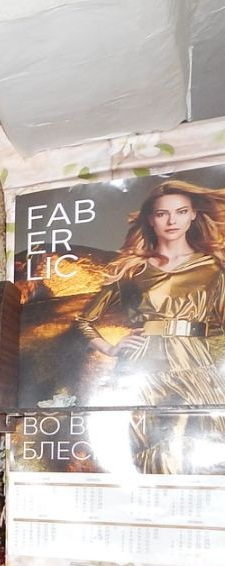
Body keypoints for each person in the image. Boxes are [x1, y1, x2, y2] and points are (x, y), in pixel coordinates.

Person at [75, 178, 225, 474]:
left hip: (196, 366)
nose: (172, 221)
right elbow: (83, 321)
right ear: (150, 219)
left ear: (193, 215)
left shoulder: (213, 267)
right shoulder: (133, 269)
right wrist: (111, 348)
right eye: (162, 214)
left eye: (181, 212)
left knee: (200, 449)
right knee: (150, 453)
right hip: (141, 369)